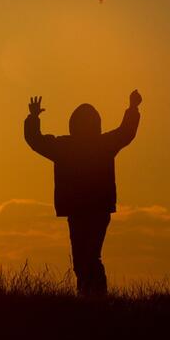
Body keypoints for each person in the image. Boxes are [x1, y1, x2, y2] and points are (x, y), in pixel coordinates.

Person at [24, 90, 142, 296]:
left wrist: (33, 117)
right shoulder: (102, 144)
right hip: (95, 209)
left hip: (80, 210)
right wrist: (132, 108)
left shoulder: (65, 147)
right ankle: (92, 296)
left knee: (84, 257)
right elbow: (126, 132)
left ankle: (92, 297)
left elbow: (35, 140)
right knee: (88, 256)